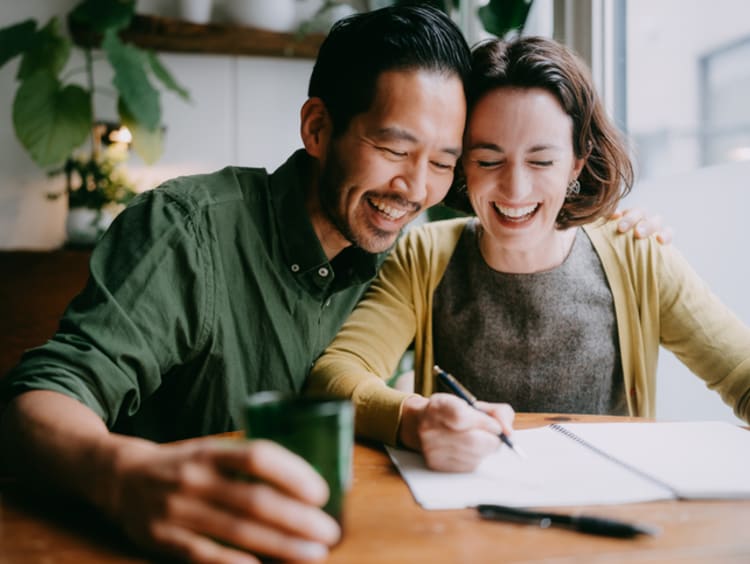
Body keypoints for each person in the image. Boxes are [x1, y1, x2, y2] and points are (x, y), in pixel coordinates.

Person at [0, 6, 666, 561]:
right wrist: (123, 477)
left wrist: (615, 231)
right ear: (318, 127)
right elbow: (38, 401)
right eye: (394, 149)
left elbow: (527, 211)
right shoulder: (189, 229)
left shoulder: (416, 247)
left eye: (442, 162)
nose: (415, 188)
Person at [306, 35, 750, 474]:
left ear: (577, 161)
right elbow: (336, 375)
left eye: (541, 161)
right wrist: (413, 419)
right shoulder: (424, 255)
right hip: (465, 522)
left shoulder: (637, 254)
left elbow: (741, 373)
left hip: (612, 516)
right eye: (488, 160)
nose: (515, 190)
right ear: (462, 165)